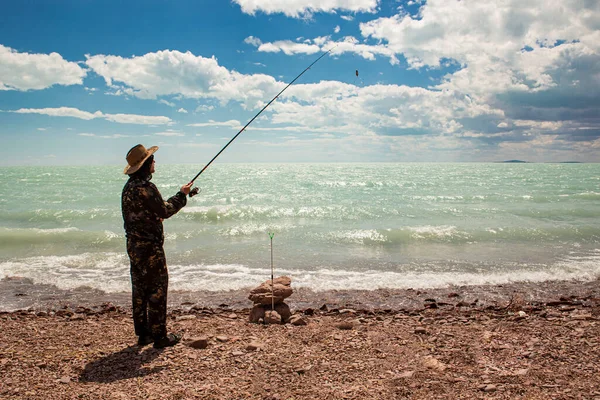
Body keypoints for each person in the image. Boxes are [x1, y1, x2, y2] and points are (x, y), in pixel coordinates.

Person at [121, 144, 192, 348]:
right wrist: (182, 195)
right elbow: (164, 210)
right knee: (158, 289)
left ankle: (143, 335)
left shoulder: (128, 188)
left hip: (134, 247)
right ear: (147, 165)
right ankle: (160, 337)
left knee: (140, 289)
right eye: (152, 160)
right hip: (150, 248)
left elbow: (139, 216)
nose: (155, 162)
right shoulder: (146, 187)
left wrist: (154, 219)